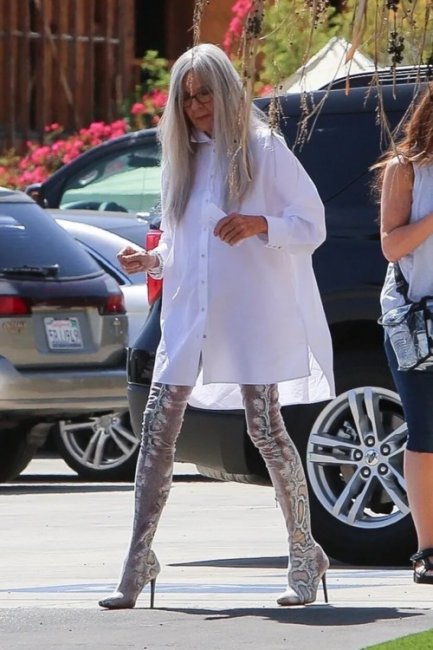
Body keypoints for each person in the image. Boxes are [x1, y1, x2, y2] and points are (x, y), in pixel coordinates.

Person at [98, 43, 334, 610]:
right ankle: (137, 558)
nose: (197, 106)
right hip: (188, 315)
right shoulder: (182, 158)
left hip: (249, 315)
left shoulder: (264, 149)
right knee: (156, 431)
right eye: (187, 97)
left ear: (226, 91)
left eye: (205, 93)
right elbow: (180, 245)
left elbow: (312, 224)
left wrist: (259, 223)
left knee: (265, 429)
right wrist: (151, 259)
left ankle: (304, 552)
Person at [376, 82, 433, 585]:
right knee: (426, 433)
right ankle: (427, 549)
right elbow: (392, 246)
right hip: (420, 320)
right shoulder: (408, 168)